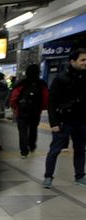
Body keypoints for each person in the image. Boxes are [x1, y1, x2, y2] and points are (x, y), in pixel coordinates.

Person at [42, 48, 86, 189]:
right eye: (83, 60)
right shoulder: (61, 79)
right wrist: (53, 122)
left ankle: (79, 176)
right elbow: (52, 102)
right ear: (72, 61)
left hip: (81, 121)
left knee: (80, 149)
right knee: (55, 150)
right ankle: (48, 177)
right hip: (63, 121)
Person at [10, 64, 49, 159]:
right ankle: (32, 146)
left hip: (22, 112)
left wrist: (15, 107)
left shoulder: (21, 83)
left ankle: (24, 152)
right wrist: (41, 108)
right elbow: (46, 98)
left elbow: (13, 98)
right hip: (35, 112)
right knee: (33, 129)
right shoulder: (42, 84)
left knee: (22, 132)